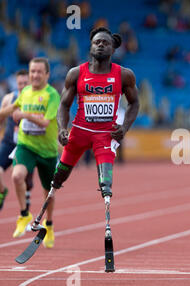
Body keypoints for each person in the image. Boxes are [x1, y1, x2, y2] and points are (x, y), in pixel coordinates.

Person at [49, 27, 139, 231]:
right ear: (90, 47)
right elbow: (63, 105)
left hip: (105, 135)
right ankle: (52, 194)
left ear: (113, 49)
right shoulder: (76, 73)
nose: (100, 45)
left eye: (105, 42)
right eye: (96, 42)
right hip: (79, 131)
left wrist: (124, 128)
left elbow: (135, 103)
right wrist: (62, 129)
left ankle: (107, 216)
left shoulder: (124, 75)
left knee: (106, 183)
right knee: (60, 173)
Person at [0, 58, 60, 248]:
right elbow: (11, 109)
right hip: (26, 146)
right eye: (32, 71)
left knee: (47, 192)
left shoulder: (52, 95)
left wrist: (24, 115)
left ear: (47, 75)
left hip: (47, 151)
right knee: (17, 176)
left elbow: (44, 122)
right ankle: (24, 214)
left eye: (39, 72)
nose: (34, 75)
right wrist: (4, 112)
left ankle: (48, 225)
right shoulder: (25, 92)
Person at [0, 69, 34, 211]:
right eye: (20, 83)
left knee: (25, 180)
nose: (22, 86)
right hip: (9, 141)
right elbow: (1, 118)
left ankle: (25, 209)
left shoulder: (35, 99)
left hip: (27, 143)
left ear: (30, 82)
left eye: (25, 83)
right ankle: (2, 191)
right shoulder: (9, 98)